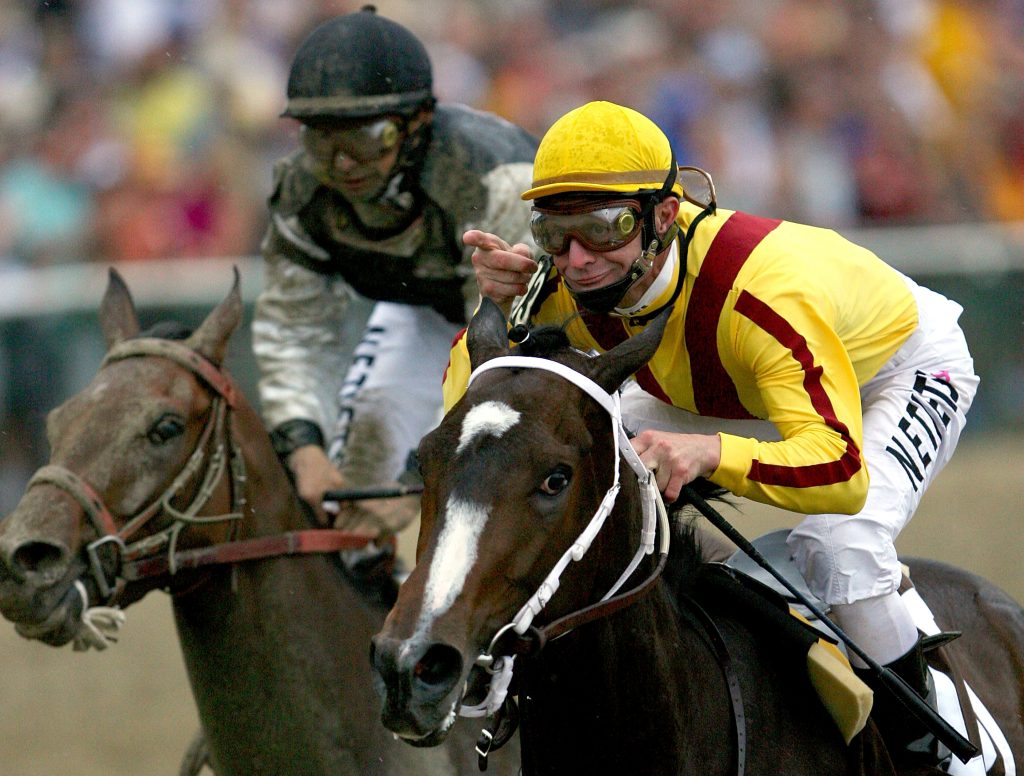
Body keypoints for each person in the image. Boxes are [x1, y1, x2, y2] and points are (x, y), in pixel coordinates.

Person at [450, 100, 978, 768]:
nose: (578, 260)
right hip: (734, 380)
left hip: (895, 371)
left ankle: (930, 752)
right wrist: (493, 312)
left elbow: (842, 473)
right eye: (556, 232)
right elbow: (479, 433)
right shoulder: (567, 279)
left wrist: (710, 452)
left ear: (662, 218)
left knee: (841, 543)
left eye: (604, 227)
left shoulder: (763, 291)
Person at [252, 6, 538, 536]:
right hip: (431, 311)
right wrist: (304, 447)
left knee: (491, 490)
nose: (342, 165)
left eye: (365, 140)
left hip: (538, 331)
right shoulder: (298, 190)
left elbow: (511, 347)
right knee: (364, 464)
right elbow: (295, 326)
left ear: (418, 123)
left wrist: (417, 479)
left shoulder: (496, 179)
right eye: (322, 141)